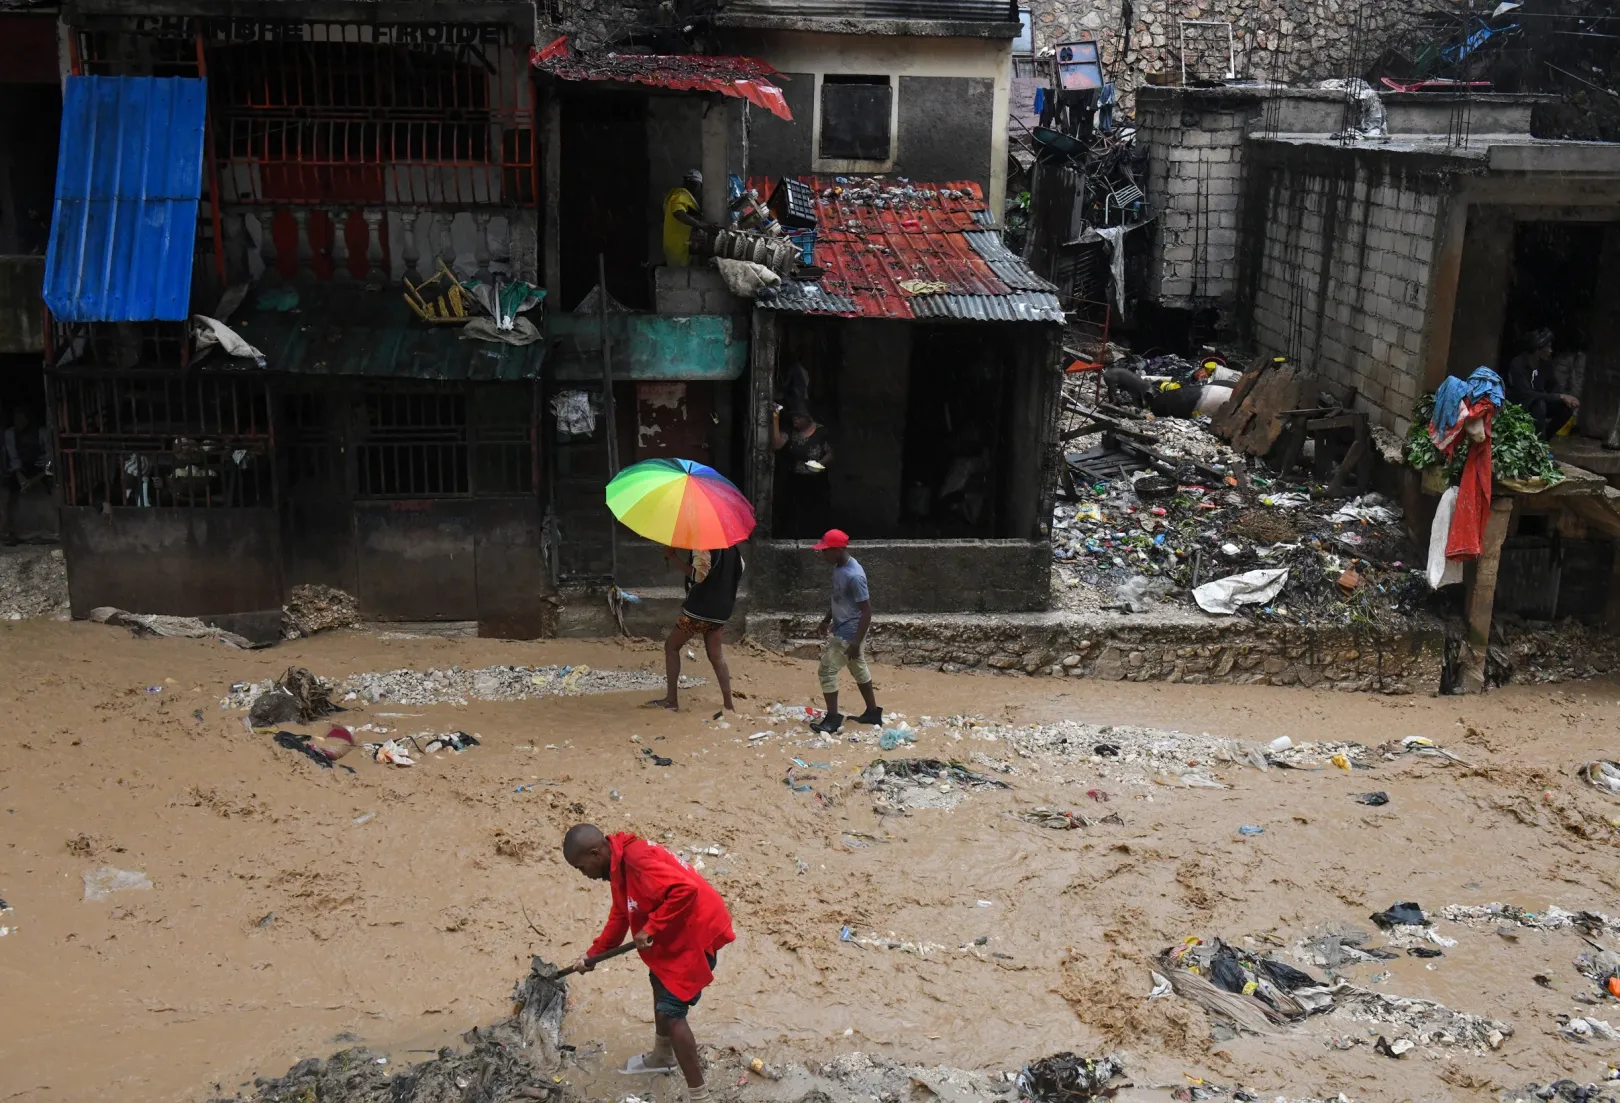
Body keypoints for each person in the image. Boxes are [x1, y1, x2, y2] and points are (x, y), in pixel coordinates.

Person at [563, 823, 735, 1103]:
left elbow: (685, 889)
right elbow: (621, 914)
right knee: (657, 978)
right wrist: (593, 955)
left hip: (696, 931)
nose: (585, 876)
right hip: (678, 930)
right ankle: (662, 1055)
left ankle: (700, 1097)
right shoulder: (619, 866)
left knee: (672, 1012)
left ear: (595, 854)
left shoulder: (637, 860)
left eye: (582, 868)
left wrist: (651, 928)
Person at [647, 544, 744, 712]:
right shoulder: (733, 547)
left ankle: (671, 701)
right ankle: (728, 705)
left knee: (671, 646)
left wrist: (673, 557)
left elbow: (698, 576)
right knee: (716, 656)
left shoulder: (703, 543)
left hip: (699, 610)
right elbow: (740, 568)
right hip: (722, 610)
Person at [807, 529, 881, 734]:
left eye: (826, 551)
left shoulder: (854, 576)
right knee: (858, 666)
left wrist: (856, 642)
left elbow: (867, 611)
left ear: (838, 550)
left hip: (850, 632)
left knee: (826, 670)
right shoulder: (839, 568)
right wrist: (826, 620)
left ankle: (832, 719)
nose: (823, 555)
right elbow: (839, 598)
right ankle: (873, 713)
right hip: (847, 629)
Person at [770, 403, 833, 538]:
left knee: (817, 512)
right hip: (797, 480)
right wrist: (775, 418)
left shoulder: (821, 432)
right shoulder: (791, 432)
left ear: (808, 418)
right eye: (793, 417)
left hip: (817, 480)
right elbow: (777, 444)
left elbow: (830, 453)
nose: (795, 420)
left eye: (798, 417)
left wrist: (819, 464)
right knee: (796, 512)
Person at [1506, 327, 1579, 438]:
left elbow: (1553, 386)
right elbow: (1526, 394)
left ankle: (1544, 441)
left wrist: (1566, 398)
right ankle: (1536, 441)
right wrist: (1559, 396)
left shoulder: (1546, 364)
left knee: (1565, 407)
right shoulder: (1518, 364)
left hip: (1540, 403)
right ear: (1537, 350)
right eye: (1548, 347)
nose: (1551, 351)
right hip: (1520, 404)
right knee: (1539, 405)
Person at [2, 405, 50, 546]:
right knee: (5, 492)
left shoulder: (42, 432)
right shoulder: (10, 433)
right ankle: (7, 531)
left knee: (56, 488)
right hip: (20, 469)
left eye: (23, 417)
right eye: (17, 417)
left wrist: (36, 479)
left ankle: (55, 529)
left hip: (40, 469)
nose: (20, 421)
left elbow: (50, 459)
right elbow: (13, 457)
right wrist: (19, 475)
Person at [663, 169, 708, 267]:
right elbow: (678, 213)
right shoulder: (681, 195)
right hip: (677, 245)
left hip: (680, 244)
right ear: (697, 185)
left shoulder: (682, 197)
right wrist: (701, 225)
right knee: (677, 277)